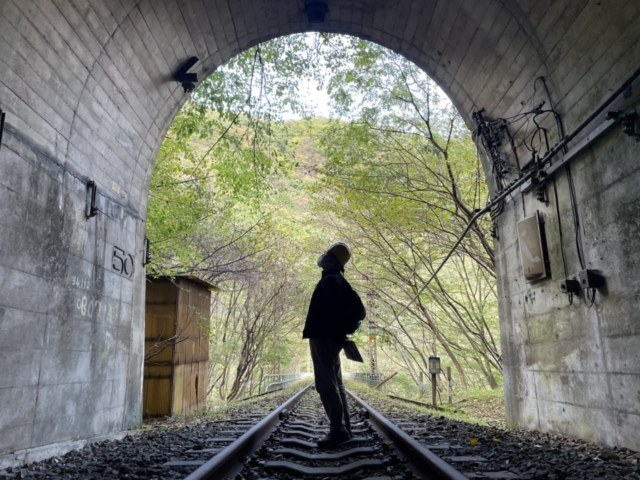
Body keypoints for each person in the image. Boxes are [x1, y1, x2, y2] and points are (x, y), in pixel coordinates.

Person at [302, 242, 355, 448]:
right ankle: (344, 428)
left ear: (334, 261)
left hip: (324, 338)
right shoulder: (337, 280)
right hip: (331, 338)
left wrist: (327, 334)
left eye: (329, 256)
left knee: (325, 383)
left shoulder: (331, 282)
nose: (324, 257)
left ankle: (337, 431)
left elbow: (330, 314)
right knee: (336, 383)